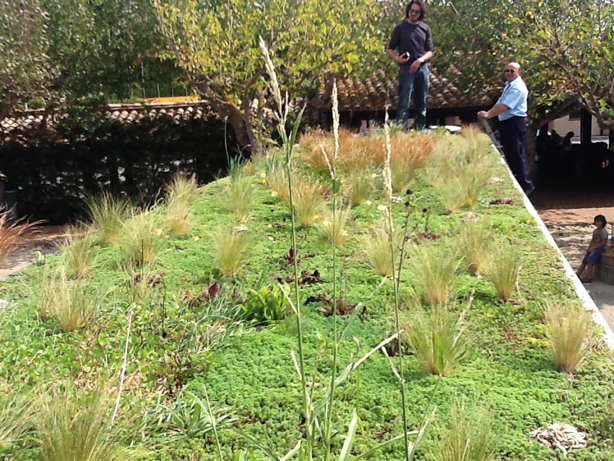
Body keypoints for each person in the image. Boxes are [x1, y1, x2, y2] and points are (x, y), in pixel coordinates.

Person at [478, 62, 534, 194]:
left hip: (515, 122)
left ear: (519, 73)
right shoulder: (509, 86)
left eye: (512, 71)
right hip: (508, 122)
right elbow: (500, 103)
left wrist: (489, 115)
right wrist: (489, 113)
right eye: (507, 71)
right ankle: (518, 182)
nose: (509, 73)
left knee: (516, 153)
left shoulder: (517, 88)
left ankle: (525, 185)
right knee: (509, 152)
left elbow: (506, 106)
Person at [387, 0, 434, 130]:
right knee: (404, 101)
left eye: (416, 12)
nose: (413, 14)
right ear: (408, 11)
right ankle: (402, 130)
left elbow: (430, 51)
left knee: (422, 101)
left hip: (422, 68)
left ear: (421, 13)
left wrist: (420, 60)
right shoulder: (400, 28)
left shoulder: (425, 29)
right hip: (406, 69)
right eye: (411, 11)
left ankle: (420, 129)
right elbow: (390, 48)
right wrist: (397, 58)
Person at [576, 214, 609, 283]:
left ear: (601, 222)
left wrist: (594, 247)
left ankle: (589, 277)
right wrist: (590, 247)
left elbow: (603, 243)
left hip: (599, 248)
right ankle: (578, 274)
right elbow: (593, 240)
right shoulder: (595, 231)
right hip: (593, 248)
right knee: (585, 260)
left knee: (590, 261)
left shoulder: (603, 232)